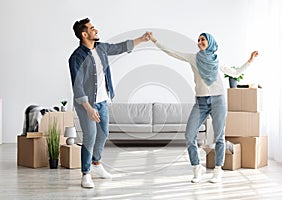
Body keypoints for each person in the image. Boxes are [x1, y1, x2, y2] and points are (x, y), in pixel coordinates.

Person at [148, 32, 258, 183]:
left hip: (218, 100)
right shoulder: (193, 58)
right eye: (198, 40)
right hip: (200, 102)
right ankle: (196, 168)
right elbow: (172, 52)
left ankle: (218, 170)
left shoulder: (217, 60)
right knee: (189, 135)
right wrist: (155, 40)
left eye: (203, 39)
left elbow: (235, 73)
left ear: (210, 42)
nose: (200, 42)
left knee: (219, 136)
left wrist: (250, 61)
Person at [69, 18, 150, 188]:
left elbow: (120, 47)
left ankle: (96, 163)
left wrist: (141, 39)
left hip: (102, 101)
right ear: (84, 34)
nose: (96, 30)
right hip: (86, 104)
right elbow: (77, 86)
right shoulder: (76, 58)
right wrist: (88, 108)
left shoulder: (102, 49)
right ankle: (86, 174)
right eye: (92, 28)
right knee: (90, 137)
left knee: (104, 133)